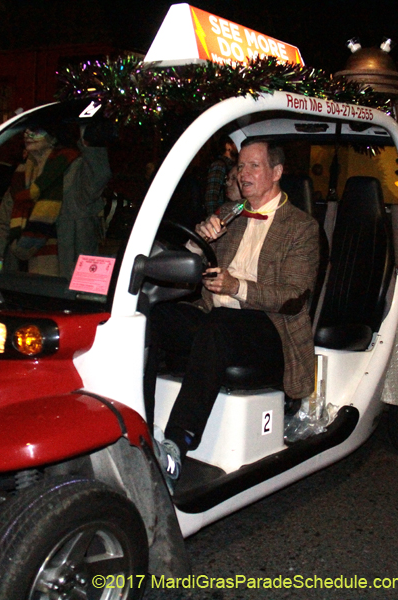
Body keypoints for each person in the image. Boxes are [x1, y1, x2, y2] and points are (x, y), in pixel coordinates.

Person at [146, 139, 320, 490]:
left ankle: (177, 443)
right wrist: (200, 239)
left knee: (220, 324)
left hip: (271, 330)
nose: (243, 174)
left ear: (276, 172)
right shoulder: (230, 213)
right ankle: (140, 425)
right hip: (218, 321)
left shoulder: (301, 228)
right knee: (156, 316)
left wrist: (235, 287)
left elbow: (292, 297)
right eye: (240, 166)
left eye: (253, 166)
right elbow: (189, 260)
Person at [0, 128, 79, 272]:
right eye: (26, 131)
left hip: (55, 271)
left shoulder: (69, 168)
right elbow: (1, 224)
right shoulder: (20, 176)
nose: (28, 135)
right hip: (17, 270)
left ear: (53, 139)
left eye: (37, 131)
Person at [55, 122, 112, 280]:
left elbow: (100, 174)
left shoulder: (76, 167)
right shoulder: (25, 169)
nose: (28, 136)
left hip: (67, 267)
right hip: (24, 272)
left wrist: (91, 144)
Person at [203, 136, 238, 217]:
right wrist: (213, 217)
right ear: (228, 146)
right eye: (235, 144)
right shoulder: (219, 165)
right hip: (220, 214)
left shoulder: (231, 165)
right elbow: (211, 195)